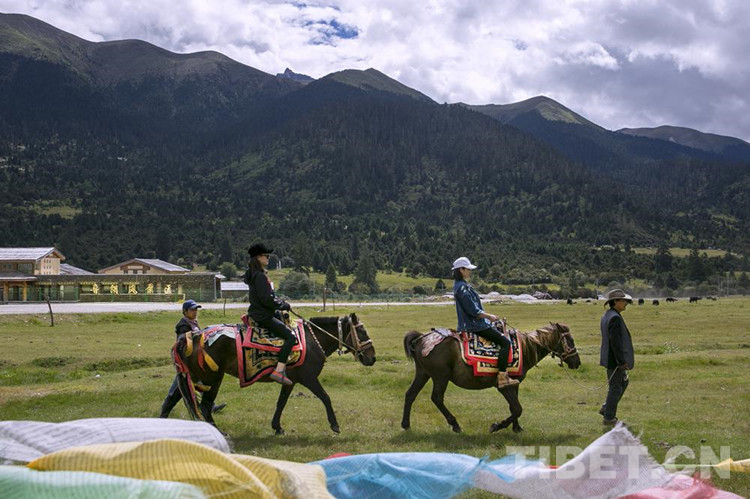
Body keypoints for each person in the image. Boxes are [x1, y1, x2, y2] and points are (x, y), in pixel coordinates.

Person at [452, 257, 519, 389]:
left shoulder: (460, 285)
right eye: (468, 269)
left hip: (471, 323)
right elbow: (473, 311)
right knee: (505, 342)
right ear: (461, 270)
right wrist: (489, 316)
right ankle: (502, 376)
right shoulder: (462, 288)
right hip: (475, 325)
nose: (470, 272)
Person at [160, 300, 226, 418]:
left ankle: (210, 406)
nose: (195, 312)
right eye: (192, 310)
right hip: (185, 363)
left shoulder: (193, 323)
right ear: (185, 311)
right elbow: (184, 343)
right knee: (177, 388)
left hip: (194, 362)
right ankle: (163, 413)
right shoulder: (183, 325)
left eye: (196, 309)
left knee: (201, 383)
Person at [244, 243, 295, 386]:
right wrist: (283, 305)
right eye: (266, 256)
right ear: (258, 258)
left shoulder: (254, 274)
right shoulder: (260, 276)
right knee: (291, 337)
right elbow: (266, 299)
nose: (268, 258)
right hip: (263, 316)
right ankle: (279, 370)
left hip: (258, 313)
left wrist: (278, 302)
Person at [599, 289, 635, 426]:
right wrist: (621, 361)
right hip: (614, 360)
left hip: (610, 358)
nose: (626, 303)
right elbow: (616, 343)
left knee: (622, 383)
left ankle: (606, 407)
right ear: (615, 302)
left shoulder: (608, 315)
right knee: (616, 388)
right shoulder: (615, 318)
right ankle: (609, 418)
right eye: (623, 300)